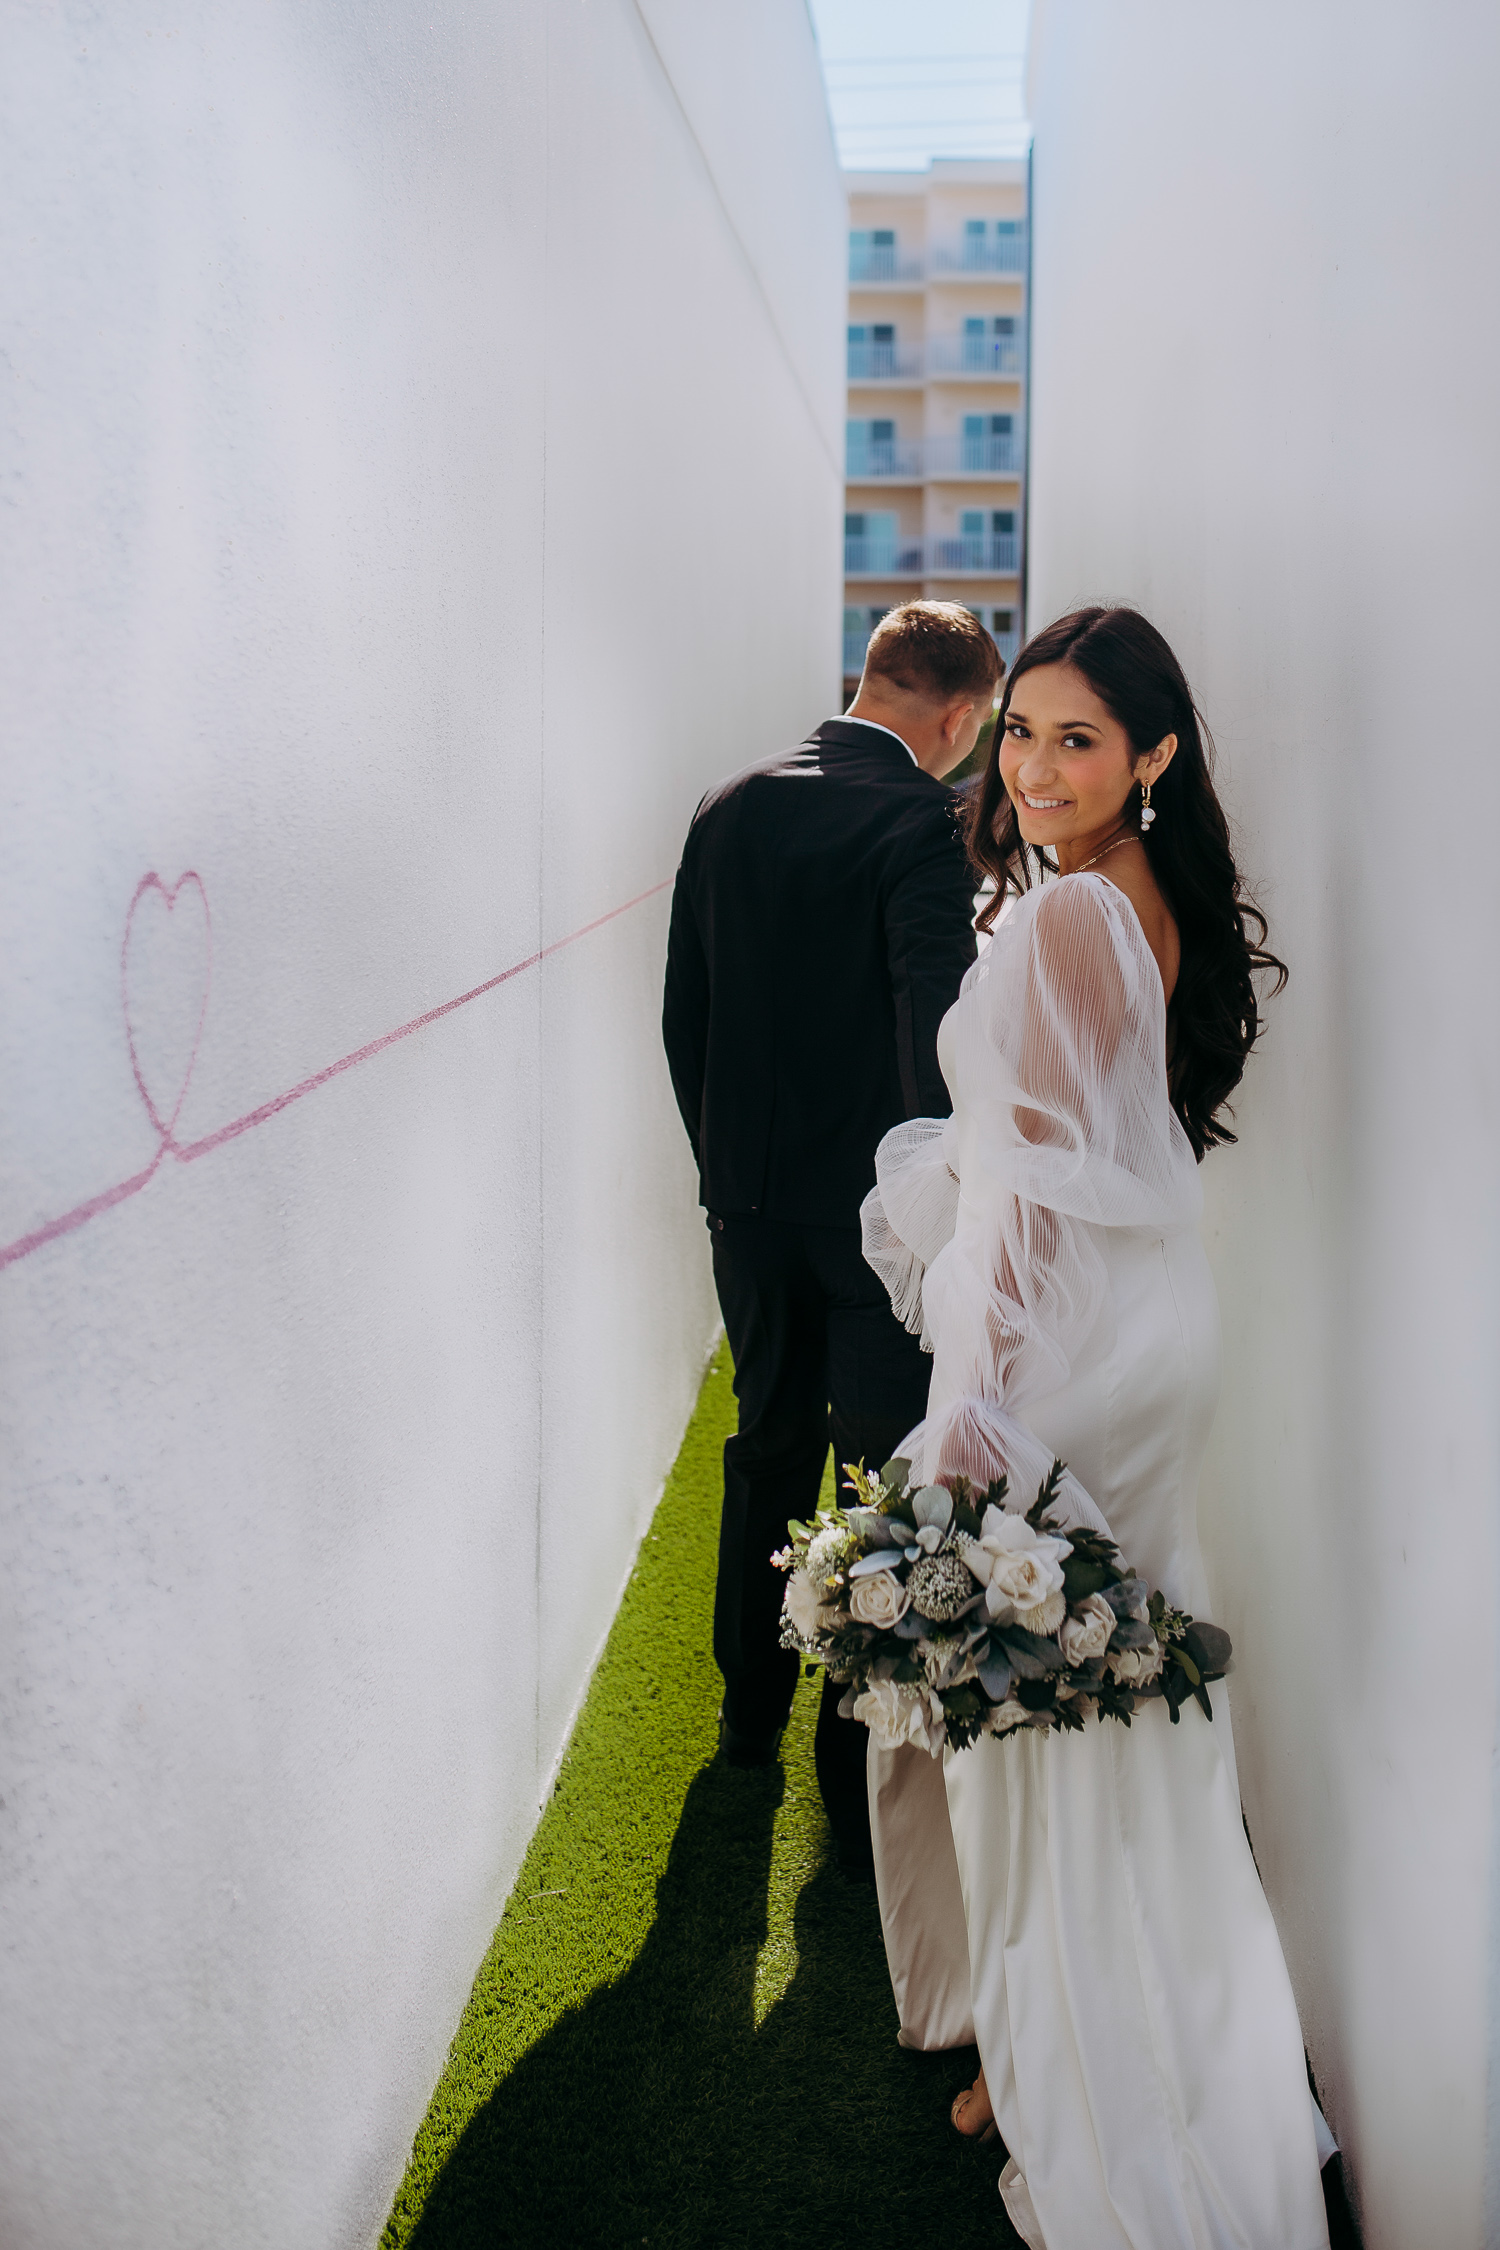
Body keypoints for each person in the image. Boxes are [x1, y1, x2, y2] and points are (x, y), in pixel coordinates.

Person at [860, 607, 1334, 2246]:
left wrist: (974, 1412)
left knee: (1044, 1736)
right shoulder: (1139, 903)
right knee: (1126, 1729)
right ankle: (1086, 2034)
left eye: (1081, 739)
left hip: (1063, 1348)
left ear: (1155, 755)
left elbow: (1040, 1207)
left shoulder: (1071, 927)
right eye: (1024, 734)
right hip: (1144, 1341)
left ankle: (1075, 2060)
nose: (1042, 768)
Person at [662, 602, 1000, 1877]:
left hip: (746, 1208)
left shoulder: (725, 804)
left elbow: (682, 1013)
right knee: (876, 1478)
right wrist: (935, 1198)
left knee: (765, 1446)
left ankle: (746, 1712)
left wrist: (725, 1175)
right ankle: (845, 1756)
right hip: (868, 1223)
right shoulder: (920, 819)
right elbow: (934, 1023)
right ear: (960, 718)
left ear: (867, 680)